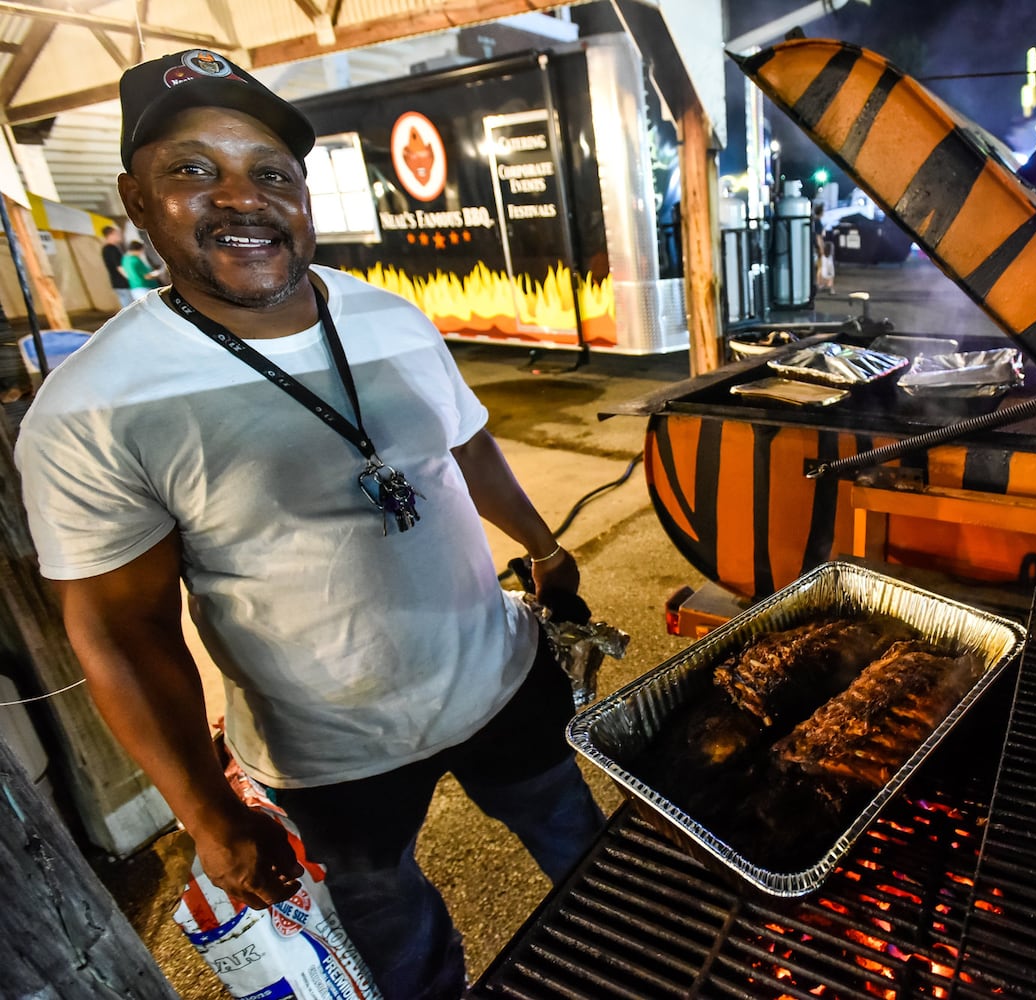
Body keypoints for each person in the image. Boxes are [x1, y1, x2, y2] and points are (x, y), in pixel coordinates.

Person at [15, 50, 604, 1000]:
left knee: (588, 861)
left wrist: (543, 545)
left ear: (303, 195)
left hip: (500, 678)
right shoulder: (94, 406)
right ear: (136, 198)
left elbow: (468, 447)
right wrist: (205, 814)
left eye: (270, 172)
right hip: (329, 756)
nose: (242, 198)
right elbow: (120, 630)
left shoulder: (389, 316)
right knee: (399, 947)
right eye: (193, 170)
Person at [100, 225, 133, 309]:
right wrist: (131, 278)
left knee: (127, 305)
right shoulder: (111, 249)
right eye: (117, 234)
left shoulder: (106, 248)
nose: (120, 236)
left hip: (117, 283)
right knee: (129, 307)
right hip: (122, 283)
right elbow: (119, 267)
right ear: (111, 234)